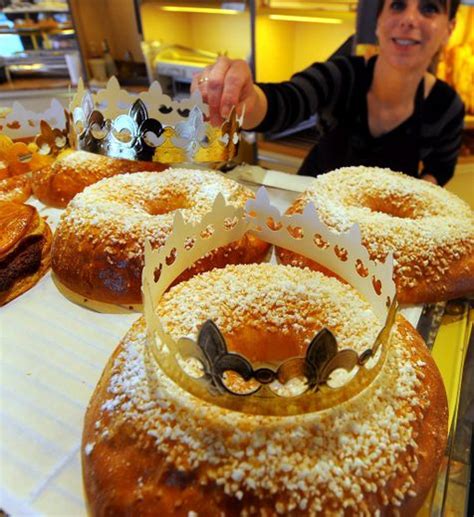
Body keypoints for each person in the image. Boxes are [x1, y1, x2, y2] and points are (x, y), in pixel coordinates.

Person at [192, 0, 464, 186]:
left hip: (381, 231)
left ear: (448, 29)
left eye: (429, 8)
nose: (409, 19)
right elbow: (285, 101)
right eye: (397, 5)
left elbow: (438, 171)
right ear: (379, 22)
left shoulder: (447, 107)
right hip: (311, 212)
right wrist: (245, 99)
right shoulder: (342, 75)